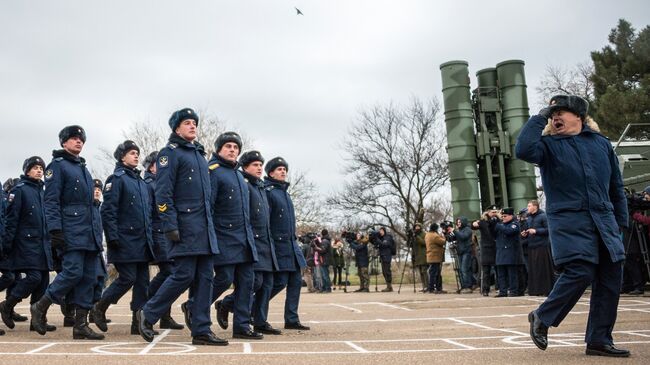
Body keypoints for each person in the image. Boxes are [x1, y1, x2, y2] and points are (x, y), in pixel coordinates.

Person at [516, 95, 630, 357]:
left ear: (578, 116)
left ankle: (599, 340)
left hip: (605, 221)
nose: (556, 116)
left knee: (611, 278)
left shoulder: (601, 144)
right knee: (580, 269)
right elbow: (523, 149)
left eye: (561, 112)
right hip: (569, 221)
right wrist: (539, 117)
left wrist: (621, 223)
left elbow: (616, 187)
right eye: (552, 113)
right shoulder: (547, 146)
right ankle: (542, 317)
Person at [136, 108, 223, 346]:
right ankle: (148, 312)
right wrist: (169, 224)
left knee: (206, 277)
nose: (193, 126)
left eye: (194, 122)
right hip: (183, 227)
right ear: (176, 128)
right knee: (183, 274)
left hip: (204, 230)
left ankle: (201, 329)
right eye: (187, 123)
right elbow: (162, 194)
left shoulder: (199, 155)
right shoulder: (169, 154)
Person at [31, 126, 105, 340]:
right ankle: (41, 306)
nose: (78, 142)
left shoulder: (83, 167)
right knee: (73, 272)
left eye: (81, 139)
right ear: (64, 143)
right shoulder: (58, 166)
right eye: (73, 139)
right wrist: (55, 230)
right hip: (71, 230)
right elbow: (51, 200)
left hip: (88, 233)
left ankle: (80, 324)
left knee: (88, 278)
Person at [91, 141, 155, 335]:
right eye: (132, 153)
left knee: (143, 283)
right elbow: (108, 211)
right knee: (127, 278)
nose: (136, 156)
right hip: (124, 240)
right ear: (122, 157)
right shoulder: (116, 179)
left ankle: (138, 323)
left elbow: (148, 214)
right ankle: (100, 306)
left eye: (137, 153)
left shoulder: (141, 183)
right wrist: (112, 238)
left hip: (142, 241)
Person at [219, 150, 281, 335]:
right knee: (254, 282)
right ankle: (227, 305)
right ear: (244, 167)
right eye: (255, 165)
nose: (259, 168)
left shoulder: (259, 186)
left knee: (268, 283)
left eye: (261, 165)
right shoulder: (244, 184)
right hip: (250, 241)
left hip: (265, 242)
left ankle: (259, 320)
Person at [208, 132, 261, 340]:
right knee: (224, 278)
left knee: (247, 282)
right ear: (219, 149)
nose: (232, 150)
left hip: (244, 239)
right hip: (224, 237)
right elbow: (209, 208)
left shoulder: (239, 175)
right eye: (228, 146)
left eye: (235, 147)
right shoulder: (213, 171)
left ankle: (241, 325)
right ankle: (194, 306)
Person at [0, 157, 54, 332]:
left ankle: (37, 319)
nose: (39, 171)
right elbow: (11, 220)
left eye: (41, 168)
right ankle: (8, 305)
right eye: (35, 168)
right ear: (27, 170)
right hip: (25, 244)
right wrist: (7, 246)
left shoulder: (43, 191)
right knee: (34, 278)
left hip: (43, 244)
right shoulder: (20, 190)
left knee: (43, 281)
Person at [265, 157, 310, 330]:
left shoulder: (285, 193)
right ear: (270, 173)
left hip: (292, 246)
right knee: (279, 282)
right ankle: (245, 306)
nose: (283, 171)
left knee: (295, 282)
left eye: (284, 169)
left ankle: (291, 318)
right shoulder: (269, 192)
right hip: (278, 245)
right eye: (279, 169)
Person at [142, 151, 184, 329]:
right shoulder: (149, 184)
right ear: (152, 166)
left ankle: (164, 316)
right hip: (157, 234)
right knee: (170, 273)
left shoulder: (163, 182)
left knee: (170, 273)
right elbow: (149, 214)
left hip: (165, 234)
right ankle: (148, 306)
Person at [523, 200, 555, 296]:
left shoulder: (543, 216)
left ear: (535, 207)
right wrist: (525, 233)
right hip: (532, 245)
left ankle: (546, 290)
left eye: (529, 206)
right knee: (534, 269)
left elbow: (548, 229)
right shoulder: (528, 218)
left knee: (543, 268)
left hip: (542, 246)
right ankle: (536, 290)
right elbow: (529, 229)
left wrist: (536, 231)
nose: (527, 208)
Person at [494, 208, 522, 297]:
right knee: (501, 274)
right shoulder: (501, 225)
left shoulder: (515, 224)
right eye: (502, 216)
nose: (503, 218)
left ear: (511, 216)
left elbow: (509, 231)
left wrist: (499, 225)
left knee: (511, 274)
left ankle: (513, 291)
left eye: (505, 216)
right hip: (500, 252)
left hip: (510, 252)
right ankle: (503, 291)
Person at [472, 206, 499, 296]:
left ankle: (499, 287)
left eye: (495, 212)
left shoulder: (498, 221)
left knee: (498, 269)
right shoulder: (483, 222)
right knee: (486, 270)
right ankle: (485, 289)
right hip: (486, 248)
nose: (494, 213)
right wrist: (474, 223)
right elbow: (473, 226)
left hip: (496, 247)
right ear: (487, 212)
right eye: (492, 212)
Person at [449, 217, 474, 294]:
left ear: (463, 222)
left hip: (466, 251)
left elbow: (463, 237)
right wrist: (446, 233)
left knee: (464, 269)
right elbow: (451, 239)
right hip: (460, 252)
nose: (458, 223)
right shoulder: (458, 231)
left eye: (460, 222)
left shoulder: (468, 230)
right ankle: (463, 285)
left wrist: (454, 231)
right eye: (457, 222)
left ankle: (468, 286)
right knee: (460, 269)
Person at [425, 223, 446, 293]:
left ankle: (432, 287)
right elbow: (443, 242)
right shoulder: (435, 236)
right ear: (436, 228)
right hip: (435, 257)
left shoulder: (427, 234)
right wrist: (443, 236)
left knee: (432, 272)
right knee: (435, 273)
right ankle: (435, 288)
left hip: (430, 256)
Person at [375, 227, 395, 292]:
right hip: (382, 256)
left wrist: (377, 240)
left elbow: (384, 244)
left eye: (381, 230)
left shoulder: (388, 237)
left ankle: (389, 287)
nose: (380, 232)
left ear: (384, 231)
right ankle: (388, 286)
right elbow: (378, 245)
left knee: (387, 271)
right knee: (384, 272)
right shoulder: (381, 238)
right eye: (379, 230)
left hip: (387, 256)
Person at [413, 223, 428, 292]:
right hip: (417, 255)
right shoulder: (415, 235)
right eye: (415, 227)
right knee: (420, 272)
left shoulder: (424, 234)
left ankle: (427, 286)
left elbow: (424, 243)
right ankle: (424, 286)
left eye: (418, 226)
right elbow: (411, 244)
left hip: (423, 255)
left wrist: (417, 237)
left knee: (424, 271)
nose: (417, 228)